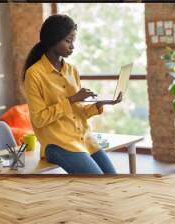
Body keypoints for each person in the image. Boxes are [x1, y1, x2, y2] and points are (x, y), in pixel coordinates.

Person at [23, 14, 122, 174]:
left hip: (85, 139)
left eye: (73, 41)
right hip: (57, 144)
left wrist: (99, 105)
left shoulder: (72, 70)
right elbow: (39, 119)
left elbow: (77, 113)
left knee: (113, 177)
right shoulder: (34, 74)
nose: (72, 47)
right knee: (98, 183)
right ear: (53, 39)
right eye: (68, 41)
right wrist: (72, 99)